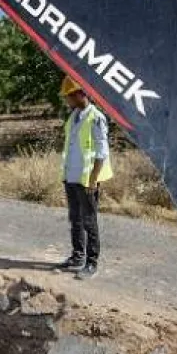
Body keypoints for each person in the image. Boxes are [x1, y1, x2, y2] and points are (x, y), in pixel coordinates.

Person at [55, 76, 113, 280]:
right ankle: (77, 256)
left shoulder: (96, 117)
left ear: (79, 94)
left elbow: (101, 152)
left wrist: (93, 180)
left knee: (89, 221)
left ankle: (91, 263)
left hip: (87, 180)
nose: (66, 101)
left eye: (68, 97)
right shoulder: (74, 116)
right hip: (71, 176)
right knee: (75, 219)